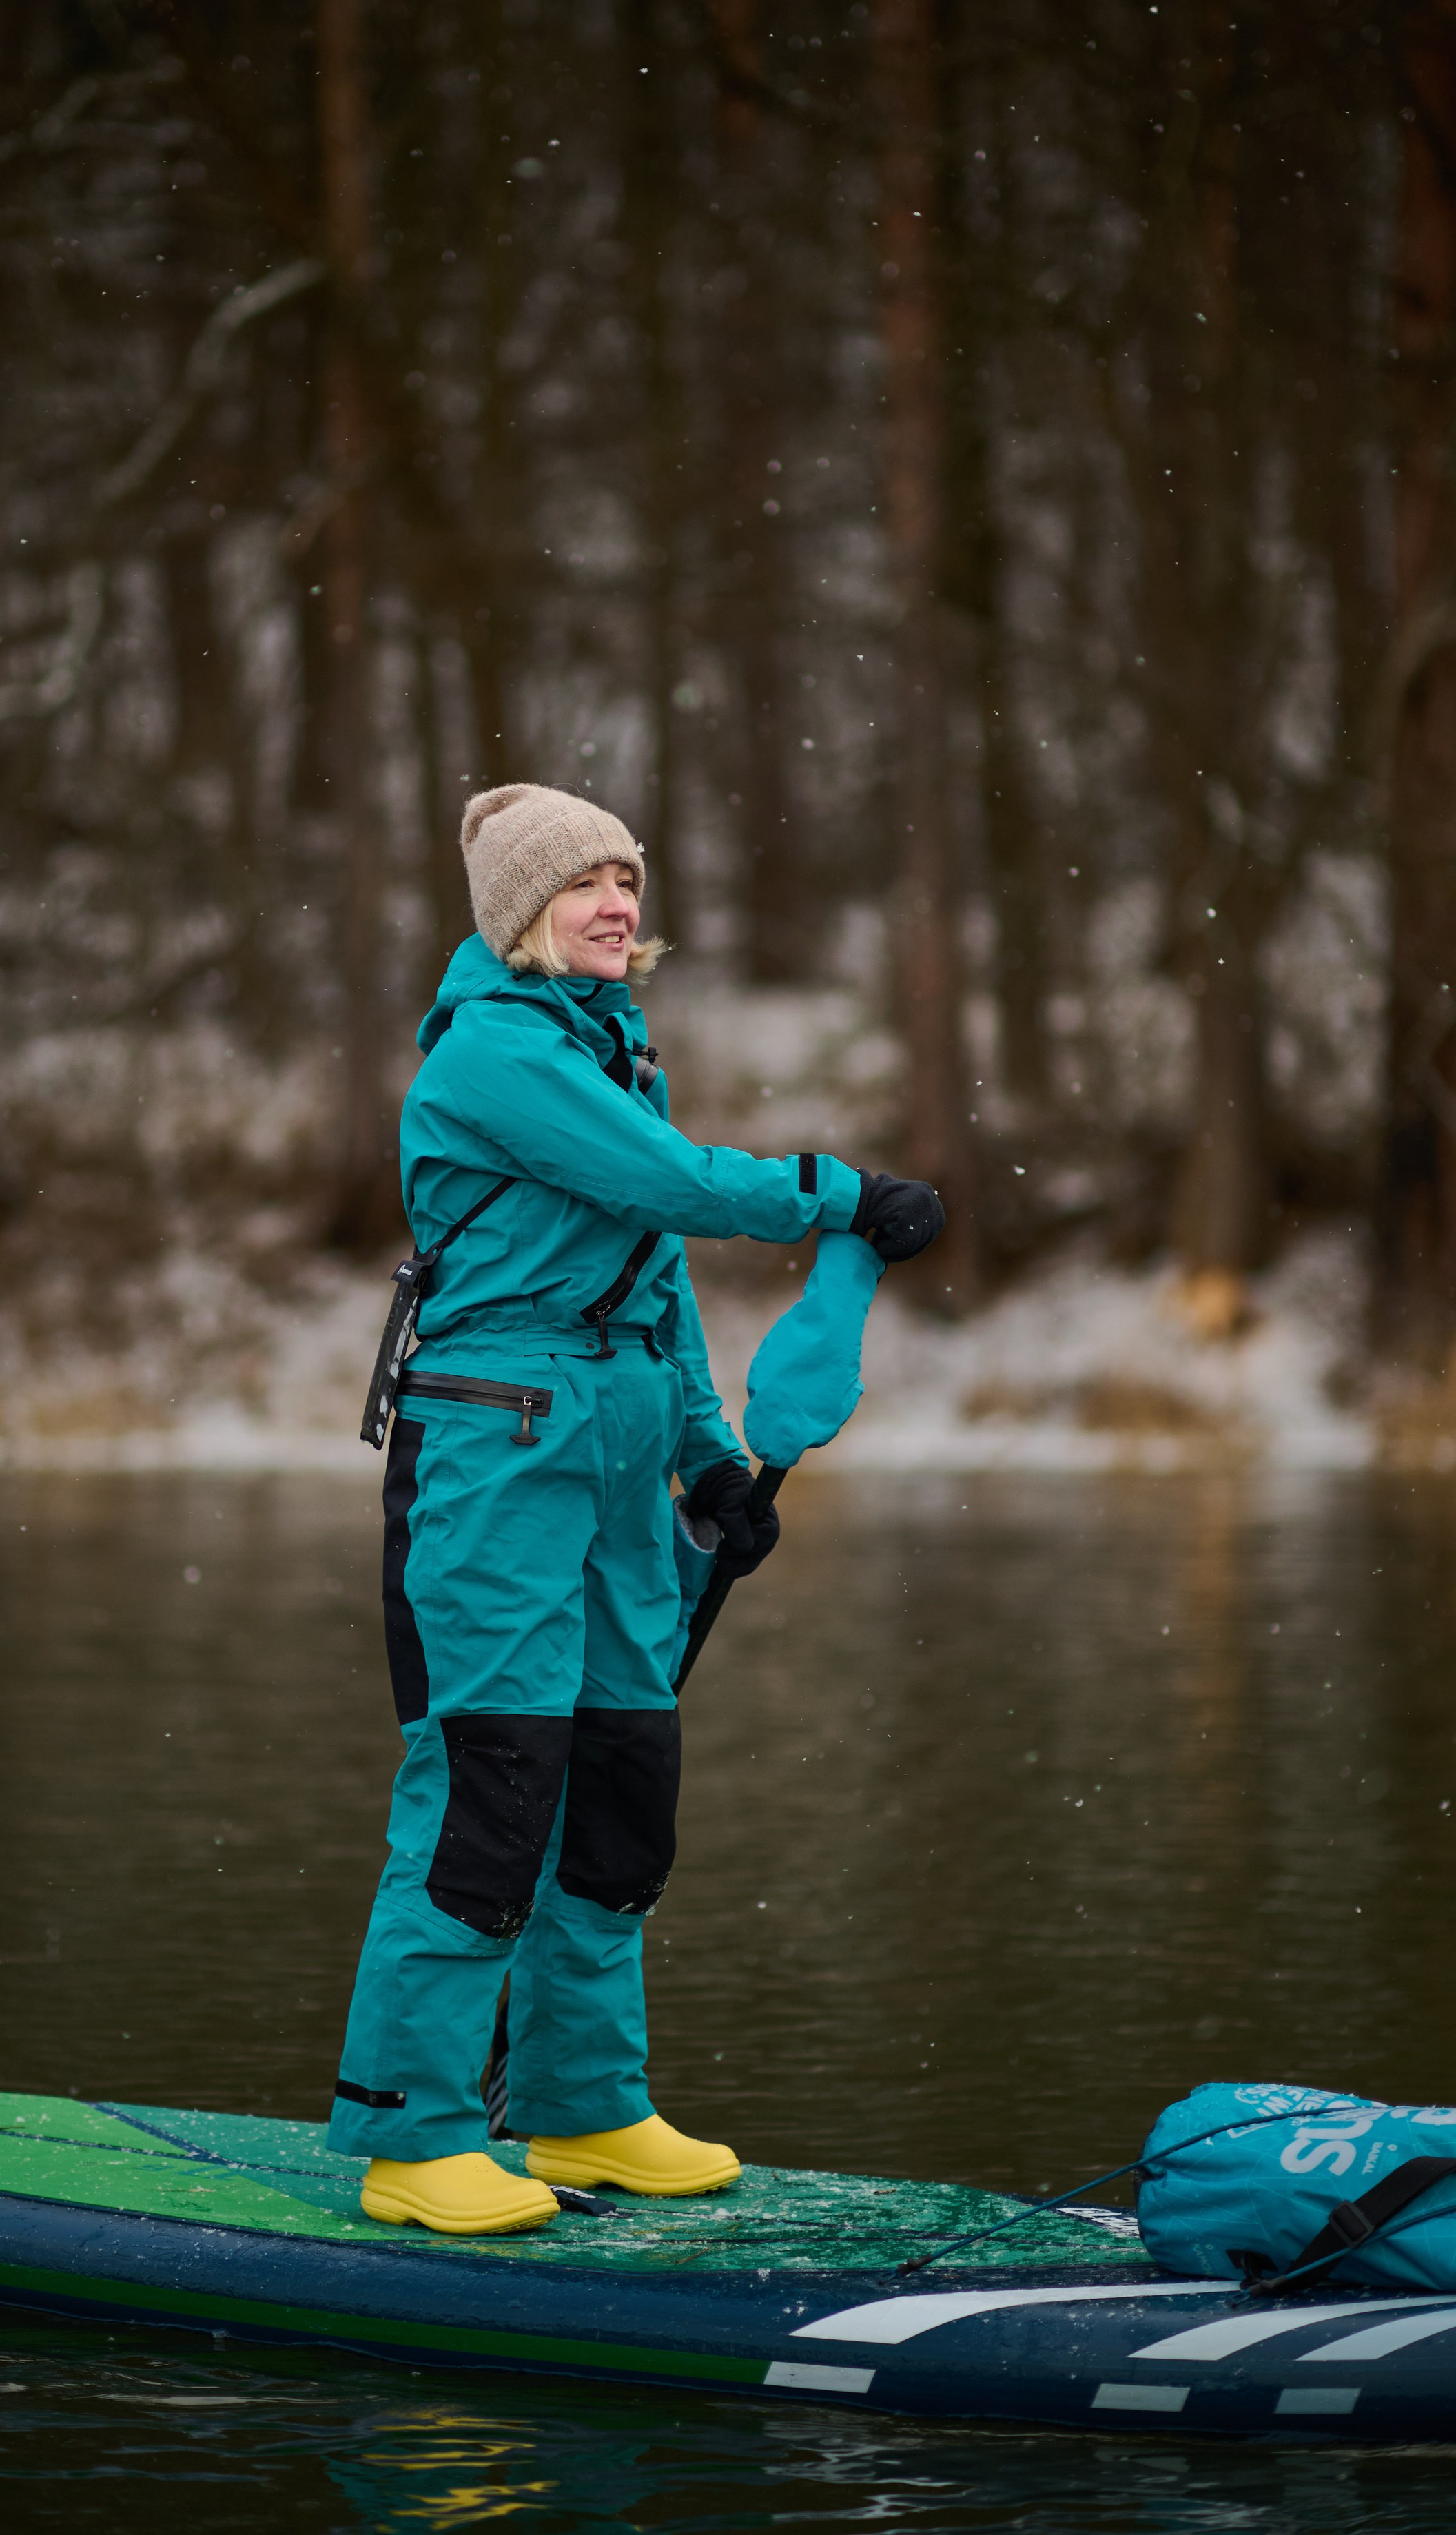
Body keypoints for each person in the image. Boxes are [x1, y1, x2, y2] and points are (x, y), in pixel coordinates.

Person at [330, 783, 944, 2235]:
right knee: (491, 1789)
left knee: (619, 1784)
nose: (617, 903)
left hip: (610, 1445)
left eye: (625, 878)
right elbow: (665, 1184)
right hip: (495, 1452)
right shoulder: (493, 1051)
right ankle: (416, 2135)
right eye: (582, 882)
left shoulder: (608, 1048)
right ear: (517, 913)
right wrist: (838, 1194)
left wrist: (711, 1460)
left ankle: (583, 2107)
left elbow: (651, 1283)